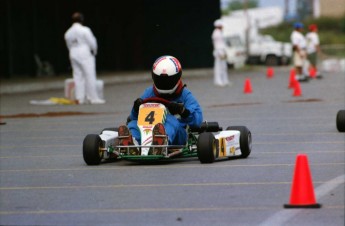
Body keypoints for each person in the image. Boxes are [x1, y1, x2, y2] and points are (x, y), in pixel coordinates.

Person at [117, 55, 203, 155]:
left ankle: (161, 142)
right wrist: (136, 109)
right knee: (133, 124)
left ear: (177, 77)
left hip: (178, 134)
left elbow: (197, 120)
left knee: (171, 120)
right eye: (161, 80)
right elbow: (134, 117)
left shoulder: (184, 95)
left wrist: (183, 111)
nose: (164, 83)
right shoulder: (149, 92)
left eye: (168, 80)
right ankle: (133, 143)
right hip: (148, 130)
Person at [64, 12, 105, 104]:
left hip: (73, 52)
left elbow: (68, 45)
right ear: (82, 20)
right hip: (84, 52)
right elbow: (92, 42)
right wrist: (94, 51)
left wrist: (72, 52)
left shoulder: (68, 32)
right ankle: (93, 98)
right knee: (89, 75)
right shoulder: (85, 30)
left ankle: (80, 98)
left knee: (77, 76)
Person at [212, 19, 230, 87]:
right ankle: (218, 81)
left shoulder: (219, 32)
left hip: (222, 50)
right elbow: (217, 44)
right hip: (219, 51)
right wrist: (220, 53)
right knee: (219, 67)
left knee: (224, 66)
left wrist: (224, 52)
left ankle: (225, 80)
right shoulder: (216, 33)